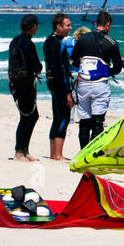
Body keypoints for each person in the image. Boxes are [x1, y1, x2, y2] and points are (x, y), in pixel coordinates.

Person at [69, 10, 123, 148]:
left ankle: (82, 153)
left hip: (83, 85)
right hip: (100, 85)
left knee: (84, 121)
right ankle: (92, 155)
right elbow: (117, 68)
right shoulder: (112, 42)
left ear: (96, 23)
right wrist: (105, 70)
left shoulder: (82, 39)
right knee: (98, 122)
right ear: (108, 24)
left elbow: (74, 62)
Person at [8, 15, 43, 161]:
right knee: (28, 116)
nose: (37, 28)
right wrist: (39, 68)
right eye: (36, 25)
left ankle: (24, 150)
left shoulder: (15, 40)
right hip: (25, 83)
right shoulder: (27, 43)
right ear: (33, 26)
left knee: (29, 116)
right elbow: (35, 63)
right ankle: (19, 151)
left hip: (15, 83)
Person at [43, 12, 74, 160]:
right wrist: (68, 91)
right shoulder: (58, 43)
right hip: (59, 84)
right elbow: (59, 69)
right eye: (67, 25)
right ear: (58, 26)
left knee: (57, 118)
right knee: (64, 118)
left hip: (51, 83)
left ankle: (53, 153)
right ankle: (58, 155)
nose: (70, 27)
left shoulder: (48, 41)